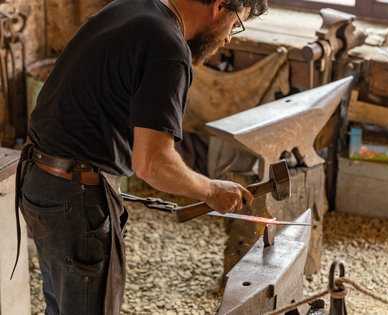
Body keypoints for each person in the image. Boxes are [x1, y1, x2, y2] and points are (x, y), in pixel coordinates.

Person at [15, 0, 268, 314]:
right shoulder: (168, 48)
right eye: (236, 24)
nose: (230, 37)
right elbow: (153, 164)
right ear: (219, 6)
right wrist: (212, 191)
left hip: (39, 181)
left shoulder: (132, 8)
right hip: (74, 197)